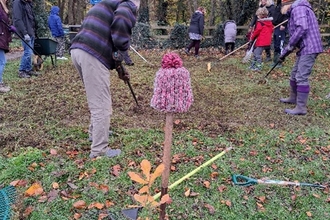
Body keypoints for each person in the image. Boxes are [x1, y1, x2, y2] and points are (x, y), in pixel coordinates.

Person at [70, 0, 140, 158]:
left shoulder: (108, 3)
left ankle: (95, 133)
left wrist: (120, 68)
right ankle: (99, 151)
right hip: (92, 53)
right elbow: (121, 25)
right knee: (102, 104)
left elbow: (109, 41)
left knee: (96, 98)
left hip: (79, 50)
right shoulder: (128, 4)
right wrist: (123, 51)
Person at [278, 0, 323, 115]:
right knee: (294, 74)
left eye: (281, 7)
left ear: (286, 4)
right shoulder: (298, 9)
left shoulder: (298, 8)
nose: (281, 11)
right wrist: (285, 53)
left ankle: (301, 108)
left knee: (301, 76)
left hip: (310, 47)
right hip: (305, 47)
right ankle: (293, 98)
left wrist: (290, 46)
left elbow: (302, 28)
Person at [12, 0, 38, 78]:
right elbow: (17, 19)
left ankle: (28, 69)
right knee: (27, 52)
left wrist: (34, 32)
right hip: (25, 32)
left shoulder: (28, 3)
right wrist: (24, 33)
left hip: (31, 31)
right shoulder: (18, 3)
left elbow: (31, 19)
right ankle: (22, 70)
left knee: (30, 52)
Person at [0, 0, 15, 93]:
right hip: (0, 37)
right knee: (2, 61)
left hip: (3, 37)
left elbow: (3, 23)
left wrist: (9, 28)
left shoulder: (4, 6)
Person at [270, 0, 288, 68]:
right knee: (276, 45)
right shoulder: (277, 5)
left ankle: (279, 62)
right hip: (276, 27)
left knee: (280, 45)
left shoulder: (285, 5)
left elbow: (286, 16)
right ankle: (275, 61)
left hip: (281, 27)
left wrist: (283, 24)